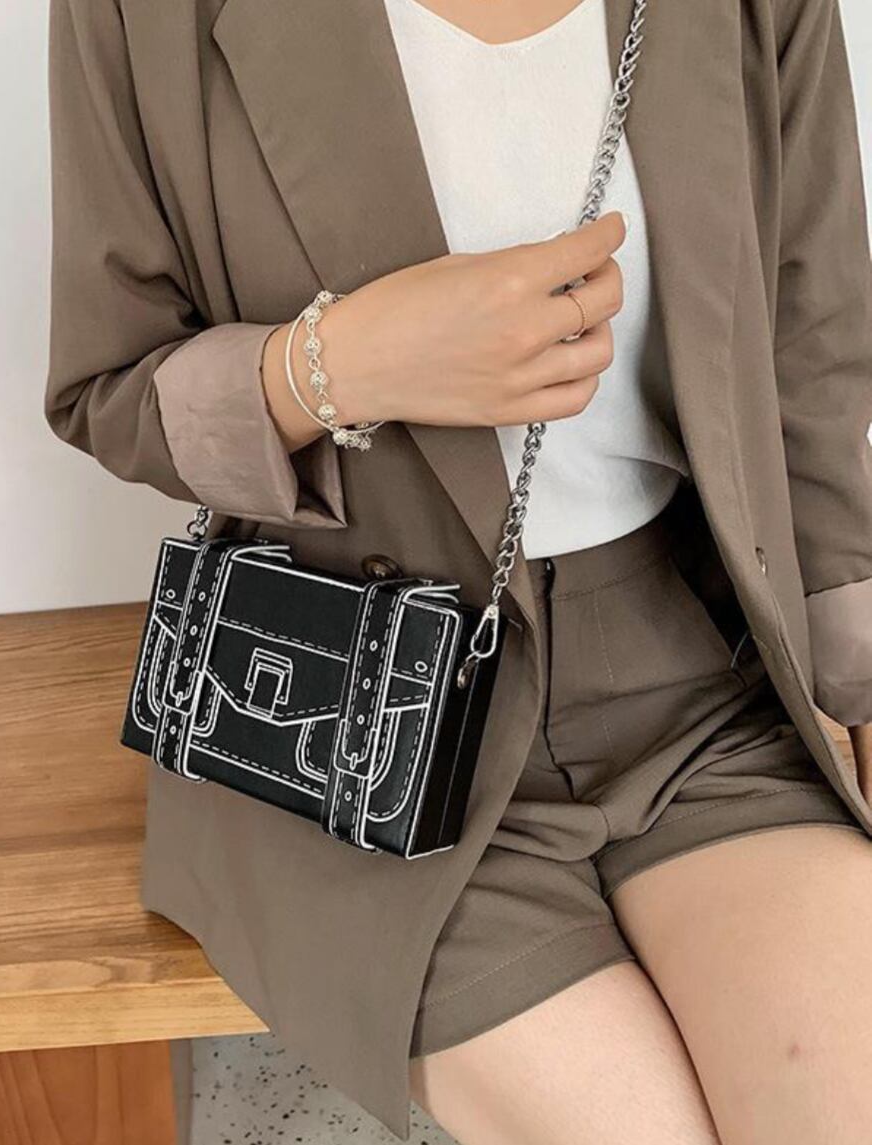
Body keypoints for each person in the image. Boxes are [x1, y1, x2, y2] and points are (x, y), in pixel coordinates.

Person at [44, 0, 872, 1140]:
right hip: (351, 717)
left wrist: (858, 677)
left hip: (699, 681)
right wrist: (343, 362)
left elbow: (811, 344)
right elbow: (107, 390)